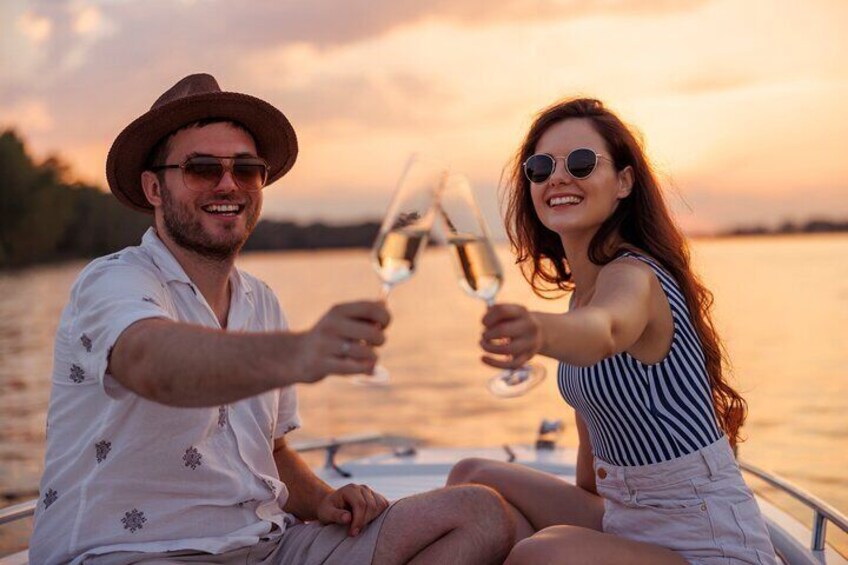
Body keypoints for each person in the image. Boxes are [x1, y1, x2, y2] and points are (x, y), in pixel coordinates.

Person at [30, 73, 515, 565]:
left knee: (480, 514)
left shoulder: (261, 302)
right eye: (202, 168)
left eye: (246, 169)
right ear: (154, 187)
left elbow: (274, 452)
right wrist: (301, 352)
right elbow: (151, 361)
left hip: (269, 547)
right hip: (136, 552)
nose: (228, 184)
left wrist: (323, 498)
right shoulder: (112, 282)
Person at [447, 98, 778, 564]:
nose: (558, 178)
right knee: (471, 477)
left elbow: (603, 331)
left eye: (581, 163)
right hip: (626, 518)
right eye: (540, 167)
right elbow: (591, 462)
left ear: (623, 181)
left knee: (537, 555)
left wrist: (536, 331)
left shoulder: (634, 276)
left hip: (707, 541)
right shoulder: (581, 294)